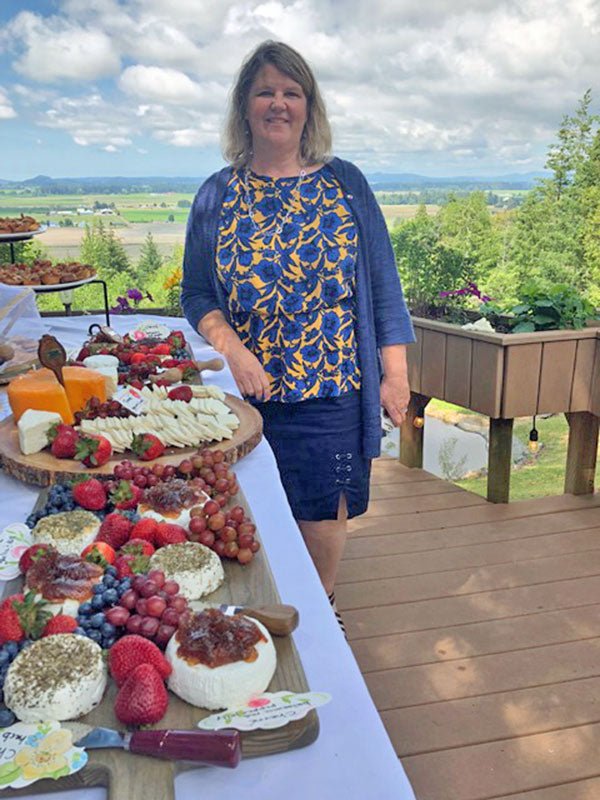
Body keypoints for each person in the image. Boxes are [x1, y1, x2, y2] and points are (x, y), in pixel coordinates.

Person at [181, 40, 414, 627]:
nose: (278, 103)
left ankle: (321, 610)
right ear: (244, 108)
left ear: (309, 107)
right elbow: (197, 293)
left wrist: (396, 376)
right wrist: (231, 350)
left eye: (292, 92)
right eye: (265, 91)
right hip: (245, 396)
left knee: (320, 516)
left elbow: (382, 284)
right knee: (242, 517)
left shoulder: (346, 185)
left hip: (332, 388)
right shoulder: (216, 194)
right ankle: (256, 618)